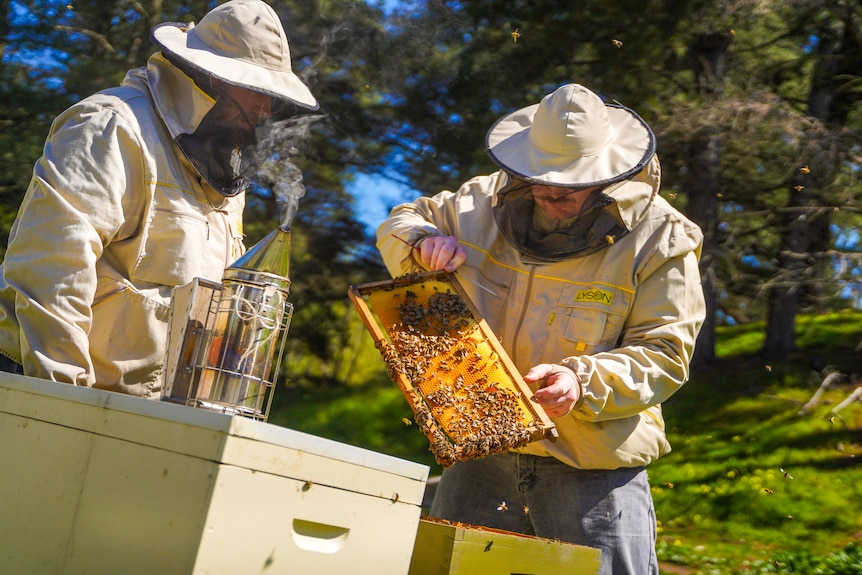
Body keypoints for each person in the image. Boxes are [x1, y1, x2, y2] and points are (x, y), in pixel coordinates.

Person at [377, 83, 706, 574]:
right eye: (540, 177)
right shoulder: (477, 203)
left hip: (590, 468)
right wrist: (422, 241)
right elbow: (404, 219)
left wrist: (583, 381)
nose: (551, 191)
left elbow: (664, 352)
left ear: (608, 174)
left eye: (570, 182)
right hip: (481, 453)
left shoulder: (662, 238)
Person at [0, 0, 318, 396]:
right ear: (210, 76)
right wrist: (61, 400)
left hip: (139, 410)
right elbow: (51, 268)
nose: (264, 108)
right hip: (43, 387)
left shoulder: (220, 173)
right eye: (255, 90)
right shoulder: (111, 126)